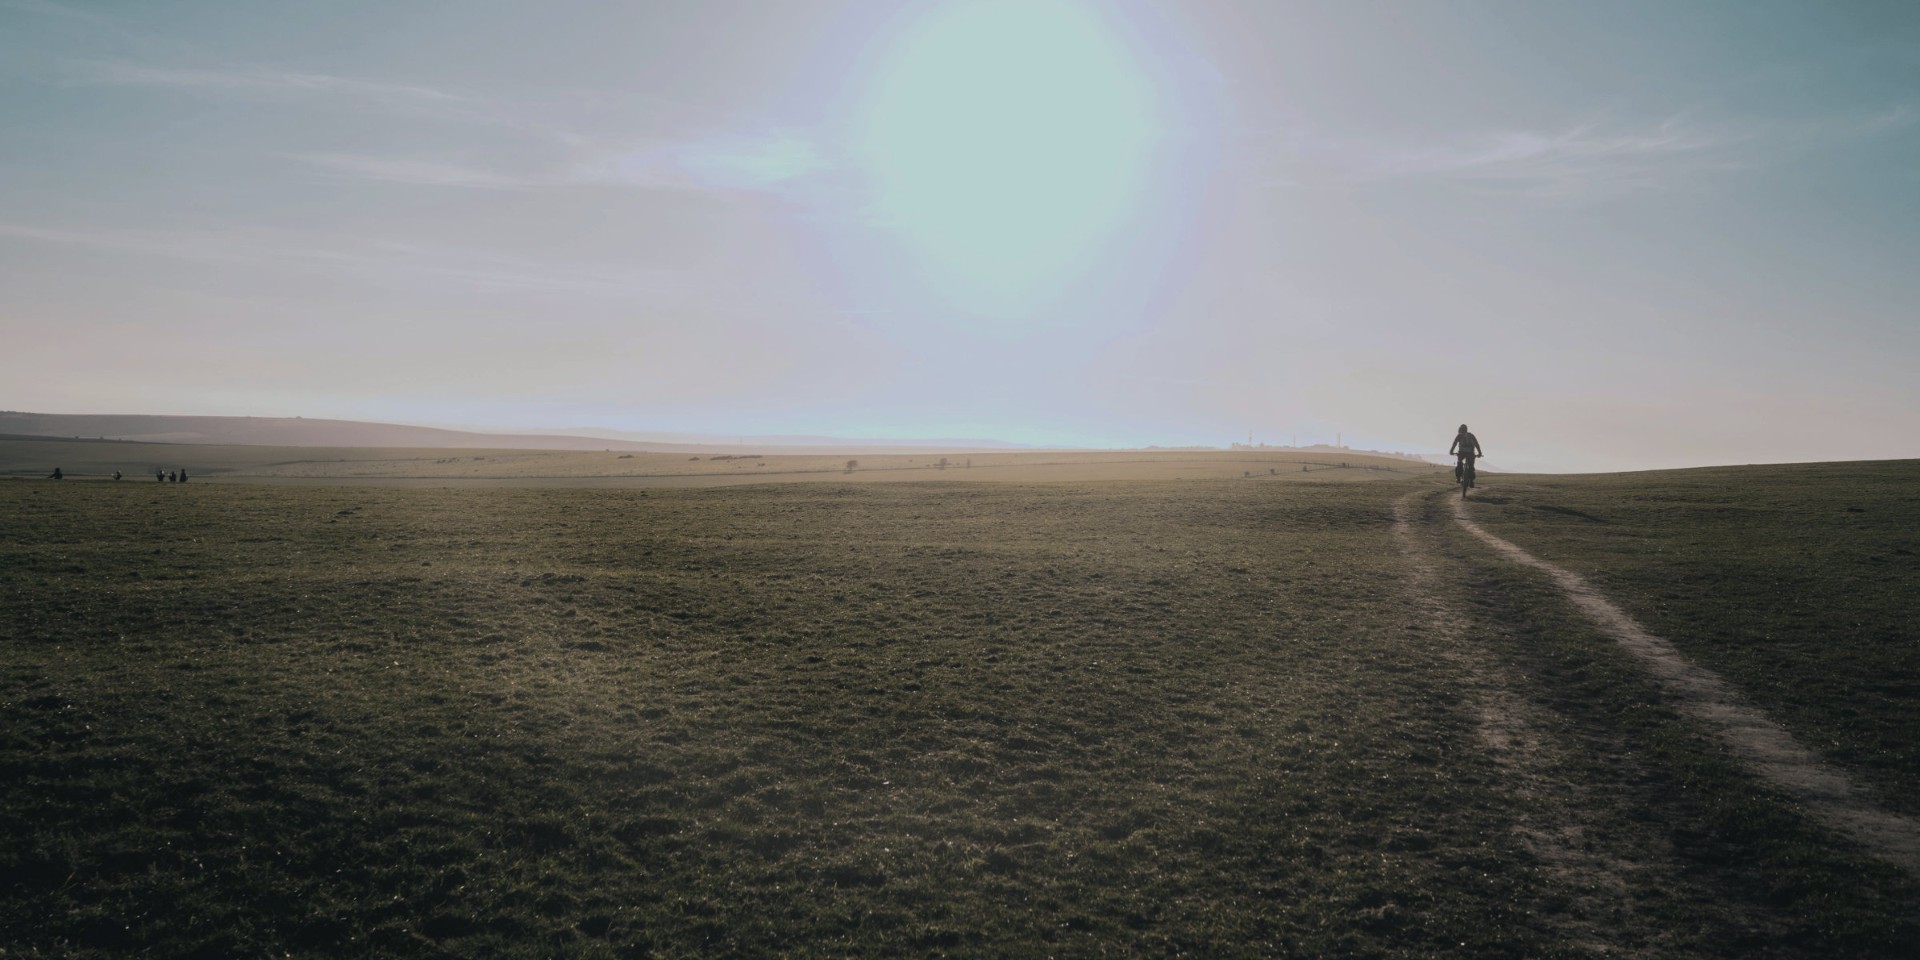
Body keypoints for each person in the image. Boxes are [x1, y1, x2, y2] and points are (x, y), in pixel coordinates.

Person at [1449, 424, 1484, 488]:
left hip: (1461, 453)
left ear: (1460, 430)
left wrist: (1451, 451)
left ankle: (1458, 478)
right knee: (1471, 466)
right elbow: (1476, 444)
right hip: (1471, 453)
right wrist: (1479, 453)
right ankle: (1471, 481)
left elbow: (1454, 444)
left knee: (1459, 463)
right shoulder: (1471, 435)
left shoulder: (1459, 436)